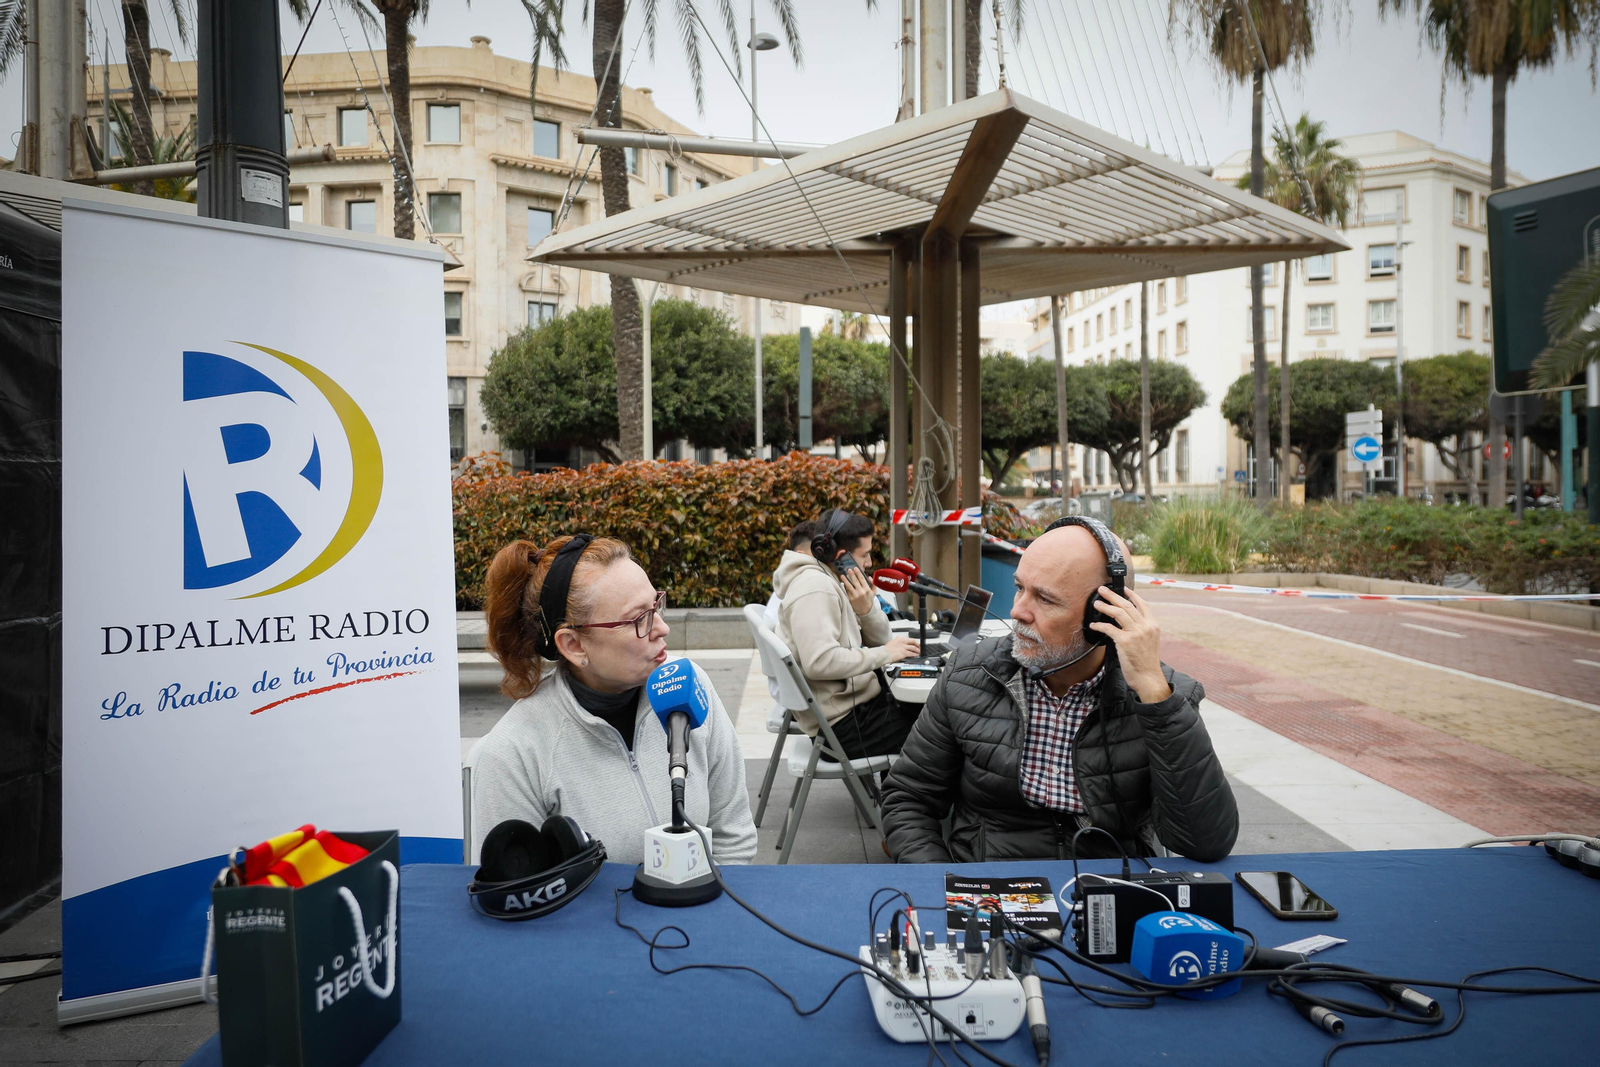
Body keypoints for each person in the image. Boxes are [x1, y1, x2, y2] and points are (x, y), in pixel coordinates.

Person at [881, 518, 1238, 863]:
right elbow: (909, 798)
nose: (1017, 611)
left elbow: (1205, 841)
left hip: (1108, 884)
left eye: (1045, 599)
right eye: (1020, 588)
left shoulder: (1160, 695)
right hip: (989, 881)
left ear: (1104, 617)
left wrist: (1155, 696)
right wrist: (940, 882)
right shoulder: (968, 674)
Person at [471, 534, 757, 865]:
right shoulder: (513, 754)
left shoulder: (689, 684)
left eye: (656, 605)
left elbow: (733, 838)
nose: (662, 628)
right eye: (639, 619)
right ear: (574, 645)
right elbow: (516, 888)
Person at [773, 508, 922, 760]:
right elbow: (820, 662)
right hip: (843, 727)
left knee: (933, 714)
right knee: (939, 728)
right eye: (865, 555)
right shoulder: (816, 589)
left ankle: (896, 786)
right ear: (842, 556)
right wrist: (885, 654)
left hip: (852, 711)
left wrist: (866, 611)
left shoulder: (830, 580)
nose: (869, 563)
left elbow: (883, 640)